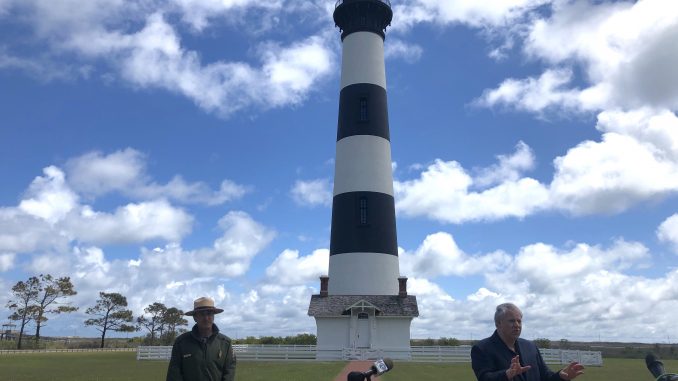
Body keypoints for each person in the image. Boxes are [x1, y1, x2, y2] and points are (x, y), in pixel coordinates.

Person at [471, 303, 584, 381]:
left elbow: (545, 376)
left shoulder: (530, 347)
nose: (517, 325)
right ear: (498, 323)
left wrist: (561, 376)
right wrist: (507, 374)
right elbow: (485, 378)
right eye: (511, 321)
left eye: (519, 321)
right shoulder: (482, 349)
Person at [166, 297, 236, 381]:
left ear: (213, 316)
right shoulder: (181, 343)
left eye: (209, 314)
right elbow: (174, 374)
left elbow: (229, 372)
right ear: (195, 317)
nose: (206, 318)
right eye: (202, 314)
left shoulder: (225, 343)